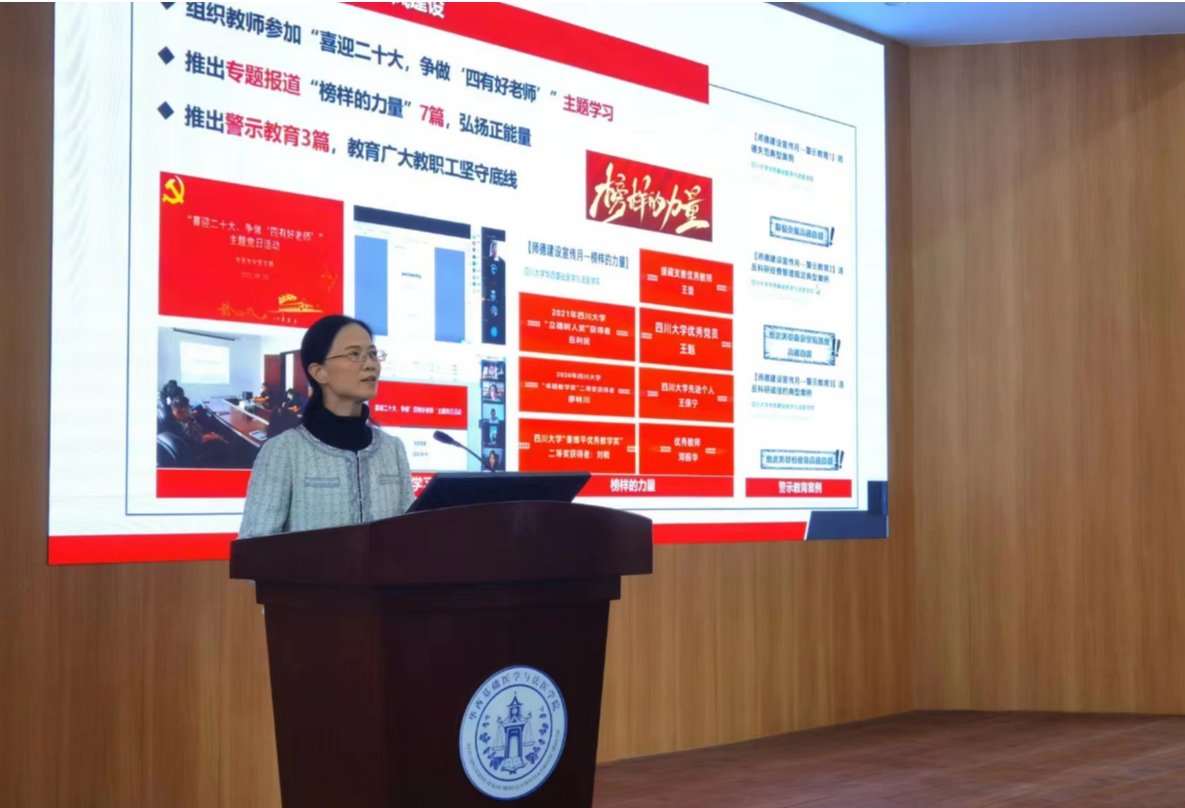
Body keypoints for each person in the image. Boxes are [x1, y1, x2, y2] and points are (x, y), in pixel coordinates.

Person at [238, 315, 413, 538]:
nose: (370, 364)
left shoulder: (392, 448)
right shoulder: (285, 450)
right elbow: (254, 545)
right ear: (319, 372)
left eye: (372, 354)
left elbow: (410, 532)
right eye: (354, 354)